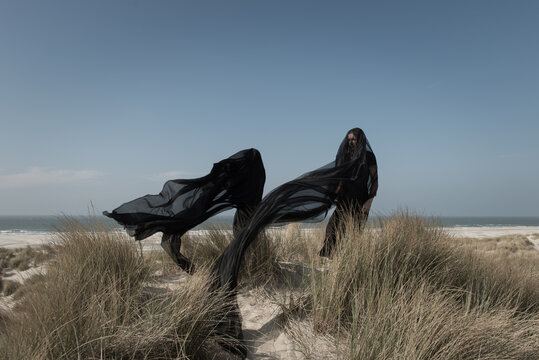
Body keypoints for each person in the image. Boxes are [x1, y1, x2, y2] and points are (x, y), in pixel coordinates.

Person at [104, 148, 265, 274]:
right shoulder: (246, 184)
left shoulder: (241, 187)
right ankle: (250, 266)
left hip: (246, 211)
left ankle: (251, 266)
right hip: (247, 210)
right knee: (190, 215)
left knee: (241, 236)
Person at [319, 128, 378, 257]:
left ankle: (350, 261)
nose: (351, 142)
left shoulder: (369, 156)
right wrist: (331, 197)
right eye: (349, 139)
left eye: (354, 139)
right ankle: (331, 259)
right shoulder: (345, 156)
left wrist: (369, 201)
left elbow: (374, 180)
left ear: (360, 140)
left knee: (355, 233)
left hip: (361, 200)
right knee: (332, 228)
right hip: (344, 199)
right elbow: (340, 180)